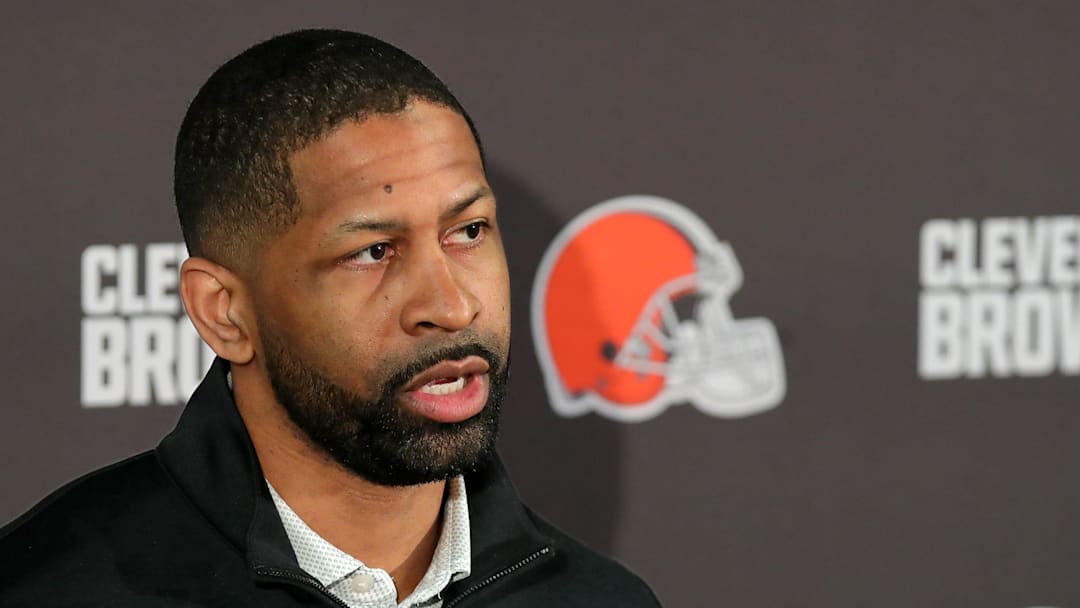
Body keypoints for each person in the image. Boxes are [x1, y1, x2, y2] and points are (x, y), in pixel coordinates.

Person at [0, 29, 661, 607]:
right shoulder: (47, 589)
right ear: (224, 313)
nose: (453, 305)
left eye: (468, 231)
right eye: (374, 251)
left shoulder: (603, 599)